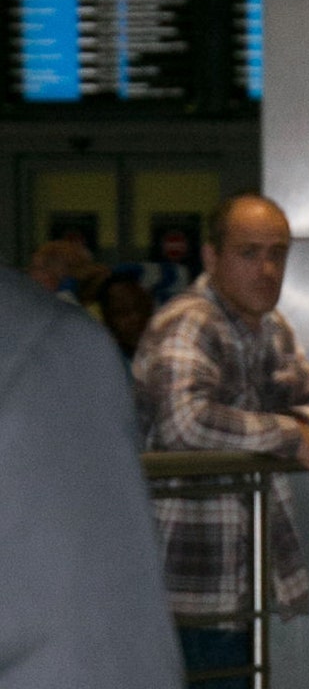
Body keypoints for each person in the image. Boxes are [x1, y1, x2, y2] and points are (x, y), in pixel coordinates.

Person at [133, 193, 309, 687]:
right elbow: (184, 422)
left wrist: (294, 431)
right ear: (211, 256)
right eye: (249, 253)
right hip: (188, 585)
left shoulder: (269, 328)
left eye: (277, 254)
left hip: (244, 583)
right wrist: (288, 434)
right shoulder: (190, 322)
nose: (267, 269)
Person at [0, 266, 184, 688]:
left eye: (138, 309)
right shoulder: (53, 346)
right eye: (121, 311)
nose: (132, 320)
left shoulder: (45, 346)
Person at [99, 269, 156, 361]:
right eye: (123, 312)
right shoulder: (101, 362)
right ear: (107, 319)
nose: (136, 318)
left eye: (140, 306)